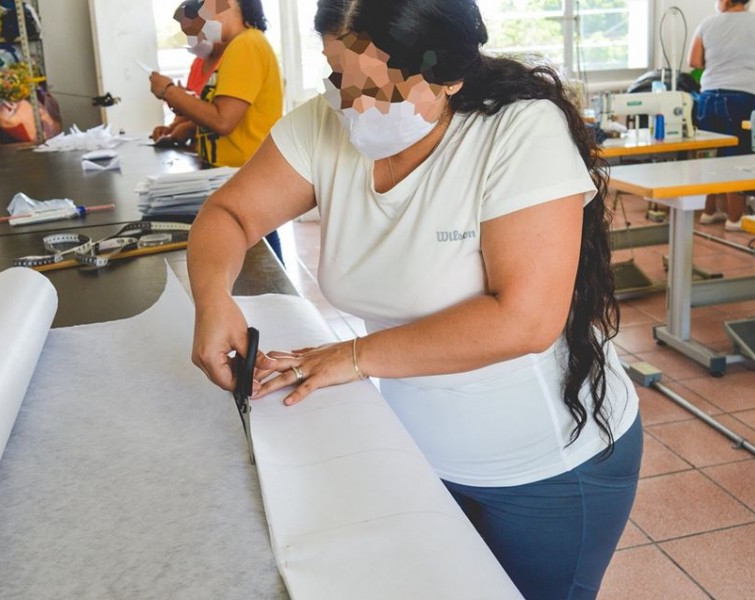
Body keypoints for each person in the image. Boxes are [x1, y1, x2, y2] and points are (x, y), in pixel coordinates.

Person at [187, 1, 642, 597]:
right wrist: (213, 300)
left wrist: (351, 356)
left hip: (549, 465)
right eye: (336, 73)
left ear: (449, 74)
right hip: (421, 451)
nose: (350, 102)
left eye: (375, 84)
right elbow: (229, 212)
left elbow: (525, 320)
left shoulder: (517, 131)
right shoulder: (324, 126)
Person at [148, 0, 284, 261]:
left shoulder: (247, 44)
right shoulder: (237, 47)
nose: (203, 13)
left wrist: (169, 91)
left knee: (260, 263)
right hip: (233, 177)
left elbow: (223, 120)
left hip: (246, 177)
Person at [688, 0, 755, 231]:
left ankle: (709, 211)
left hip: (708, 98)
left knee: (711, 155)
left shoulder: (707, 24)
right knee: (736, 159)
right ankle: (735, 218)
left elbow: (694, 61)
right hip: (743, 97)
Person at [150, 0, 220, 147]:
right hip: (200, 151)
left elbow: (226, 116)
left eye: (194, 30)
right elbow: (193, 108)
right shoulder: (198, 63)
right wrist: (171, 128)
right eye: (187, 33)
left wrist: (189, 128)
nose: (192, 38)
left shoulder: (230, 59)